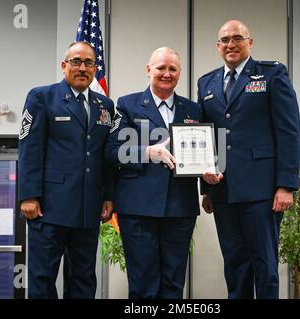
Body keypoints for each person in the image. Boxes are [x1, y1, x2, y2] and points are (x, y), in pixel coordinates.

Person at [197, 20, 300, 299]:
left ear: (249, 42)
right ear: (218, 46)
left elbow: (289, 131)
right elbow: (206, 138)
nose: (231, 44)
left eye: (237, 38)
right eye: (225, 40)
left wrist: (286, 185)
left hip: (262, 190)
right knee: (234, 263)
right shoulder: (206, 82)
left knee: (264, 263)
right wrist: (206, 190)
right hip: (224, 190)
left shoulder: (272, 74)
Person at [18, 41, 115, 299]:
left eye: (89, 63)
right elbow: (29, 148)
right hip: (48, 209)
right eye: (76, 62)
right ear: (64, 66)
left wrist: (107, 195)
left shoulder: (105, 105)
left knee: (83, 280)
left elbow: (105, 156)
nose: (82, 68)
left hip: (87, 210)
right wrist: (28, 195)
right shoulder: (41, 97)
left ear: (96, 68)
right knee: (42, 279)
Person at [105, 47, 202, 299]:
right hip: (138, 208)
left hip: (180, 207)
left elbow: (205, 151)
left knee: (174, 283)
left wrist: (209, 175)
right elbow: (112, 151)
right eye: (161, 68)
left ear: (180, 73)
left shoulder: (193, 109)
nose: (166, 74)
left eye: (172, 69)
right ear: (149, 70)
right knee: (143, 283)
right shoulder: (127, 104)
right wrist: (148, 152)